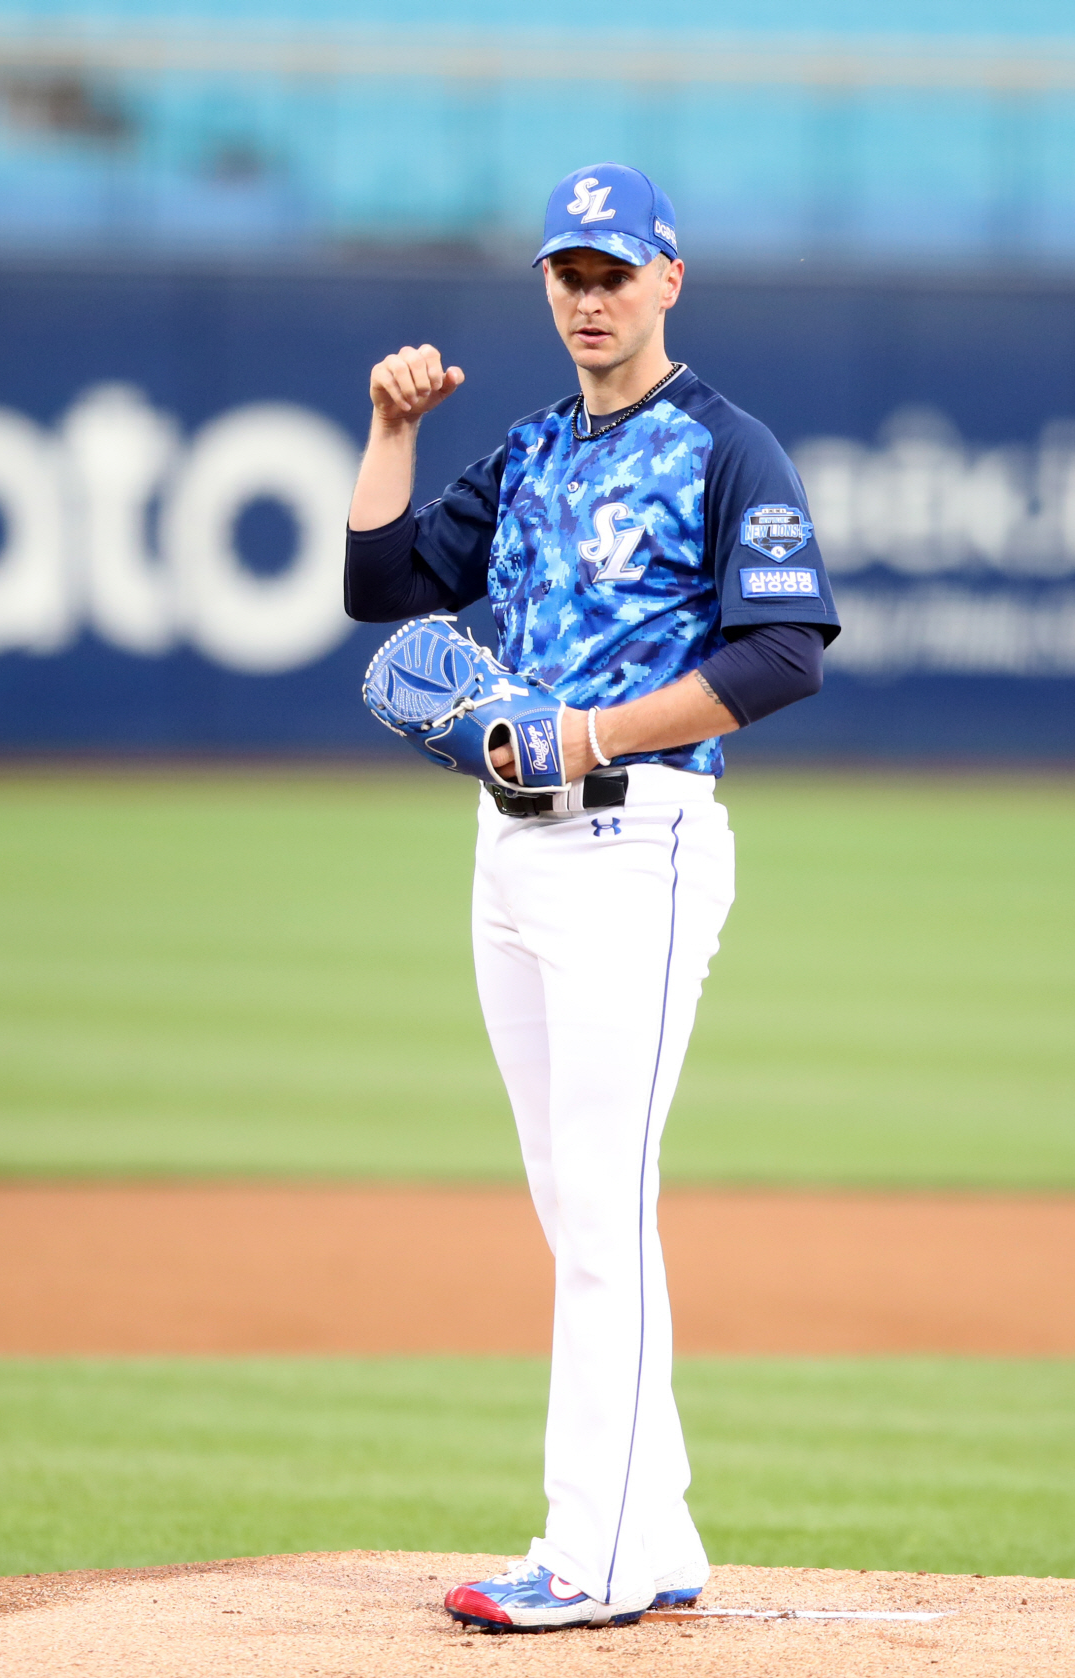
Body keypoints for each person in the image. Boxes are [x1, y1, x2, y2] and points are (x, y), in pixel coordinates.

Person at [345, 162, 840, 1634]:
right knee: (576, 1200)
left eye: (615, 272)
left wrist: (589, 733)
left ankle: (596, 1552)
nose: (589, 297)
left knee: (606, 1200)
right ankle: (656, 1526)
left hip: (641, 837)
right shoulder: (531, 450)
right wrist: (389, 432)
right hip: (512, 849)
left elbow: (783, 656)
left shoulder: (727, 448)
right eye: (569, 273)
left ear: (668, 280)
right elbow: (382, 586)